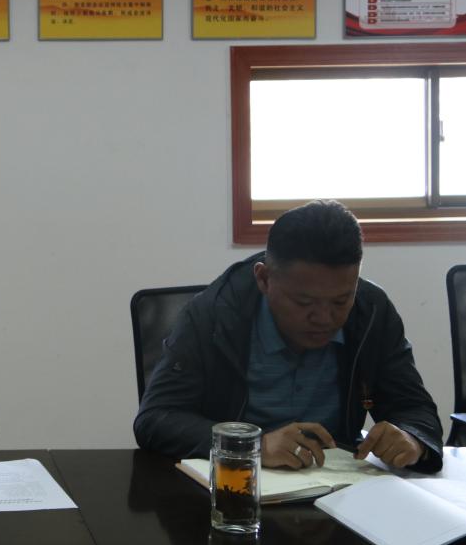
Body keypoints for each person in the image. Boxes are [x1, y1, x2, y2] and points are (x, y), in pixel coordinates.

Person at [134, 199, 442, 472]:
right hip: (236, 489)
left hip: (336, 490)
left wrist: (411, 438)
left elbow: (414, 409)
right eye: (304, 302)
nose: (324, 318)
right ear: (264, 279)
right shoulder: (214, 315)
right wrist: (252, 446)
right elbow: (156, 419)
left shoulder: (371, 311)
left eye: (340, 301)